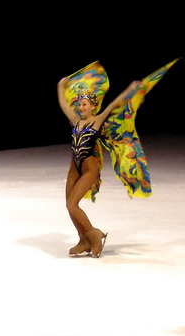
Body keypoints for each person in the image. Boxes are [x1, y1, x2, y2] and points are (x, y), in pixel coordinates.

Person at [56, 76, 141, 258]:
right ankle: (83, 240)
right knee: (69, 206)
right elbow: (63, 105)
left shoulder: (97, 121)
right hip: (74, 167)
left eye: (85, 105)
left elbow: (114, 104)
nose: (81, 108)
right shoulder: (75, 120)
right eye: (79, 105)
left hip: (89, 168)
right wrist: (60, 86)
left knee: (72, 204)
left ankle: (94, 234)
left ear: (93, 107)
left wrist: (130, 89)